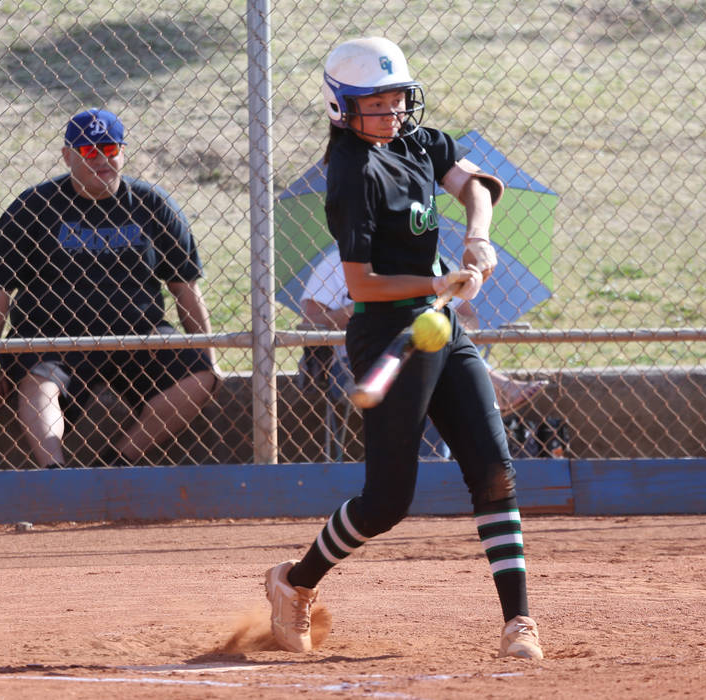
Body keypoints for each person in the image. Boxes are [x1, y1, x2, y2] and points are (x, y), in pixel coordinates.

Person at [264, 38, 543, 659]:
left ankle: (518, 622)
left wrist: (476, 239)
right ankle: (294, 582)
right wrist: (435, 282)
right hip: (386, 329)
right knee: (387, 501)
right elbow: (362, 282)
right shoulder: (352, 174)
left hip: (440, 327)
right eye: (375, 102)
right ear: (342, 107)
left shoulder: (416, 141)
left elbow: (476, 186)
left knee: (494, 470)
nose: (391, 111)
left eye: (397, 97)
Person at [0, 108, 219, 470]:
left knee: (201, 376)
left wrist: (207, 353)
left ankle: (117, 461)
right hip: (52, 337)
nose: (103, 158)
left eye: (111, 148)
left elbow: (185, 288)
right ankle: (56, 474)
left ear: (123, 151)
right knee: (38, 386)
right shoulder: (33, 207)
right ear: (67, 156)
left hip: (136, 336)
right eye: (89, 151)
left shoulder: (154, 205)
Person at [298, 251, 545, 424]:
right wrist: (367, 307)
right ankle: (497, 388)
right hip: (354, 362)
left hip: (426, 354)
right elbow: (310, 325)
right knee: (428, 375)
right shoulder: (337, 263)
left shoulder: (436, 264)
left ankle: (436, 461)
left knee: (434, 362)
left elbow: (471, 321)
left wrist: (435, 316)